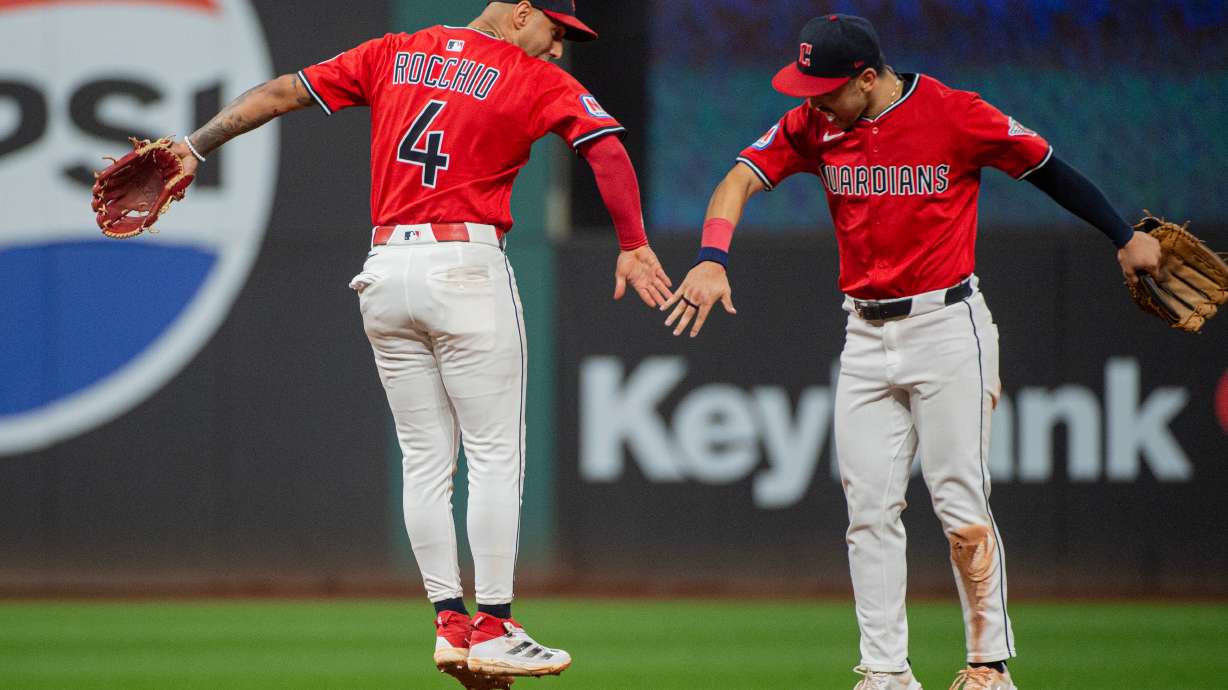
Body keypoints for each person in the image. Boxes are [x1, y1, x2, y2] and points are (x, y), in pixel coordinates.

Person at [161, 1, 671, 687]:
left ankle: (449, 622)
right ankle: (494, 625)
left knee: (425, 458)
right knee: (494, 453)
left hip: (384, 273)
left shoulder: (394, 51)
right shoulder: (529, 75)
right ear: (521, 14)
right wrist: (634, 244)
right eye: (555, 30)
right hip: (464, 266)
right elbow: (604, 146)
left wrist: (194, 147)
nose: (557, 48)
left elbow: (284, 91)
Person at [661, 13, 1161, 690]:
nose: (813, 99)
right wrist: (713, 255)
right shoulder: (812, 124)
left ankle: (989, 666)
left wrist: (1120, 235)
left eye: (827, 87)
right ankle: (885, 673)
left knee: (960, 504)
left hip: (947, 326)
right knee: (867, 511)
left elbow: (1046, 167)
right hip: (864, 334)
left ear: (868, 78)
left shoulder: (956, 115)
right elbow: (738, 180)